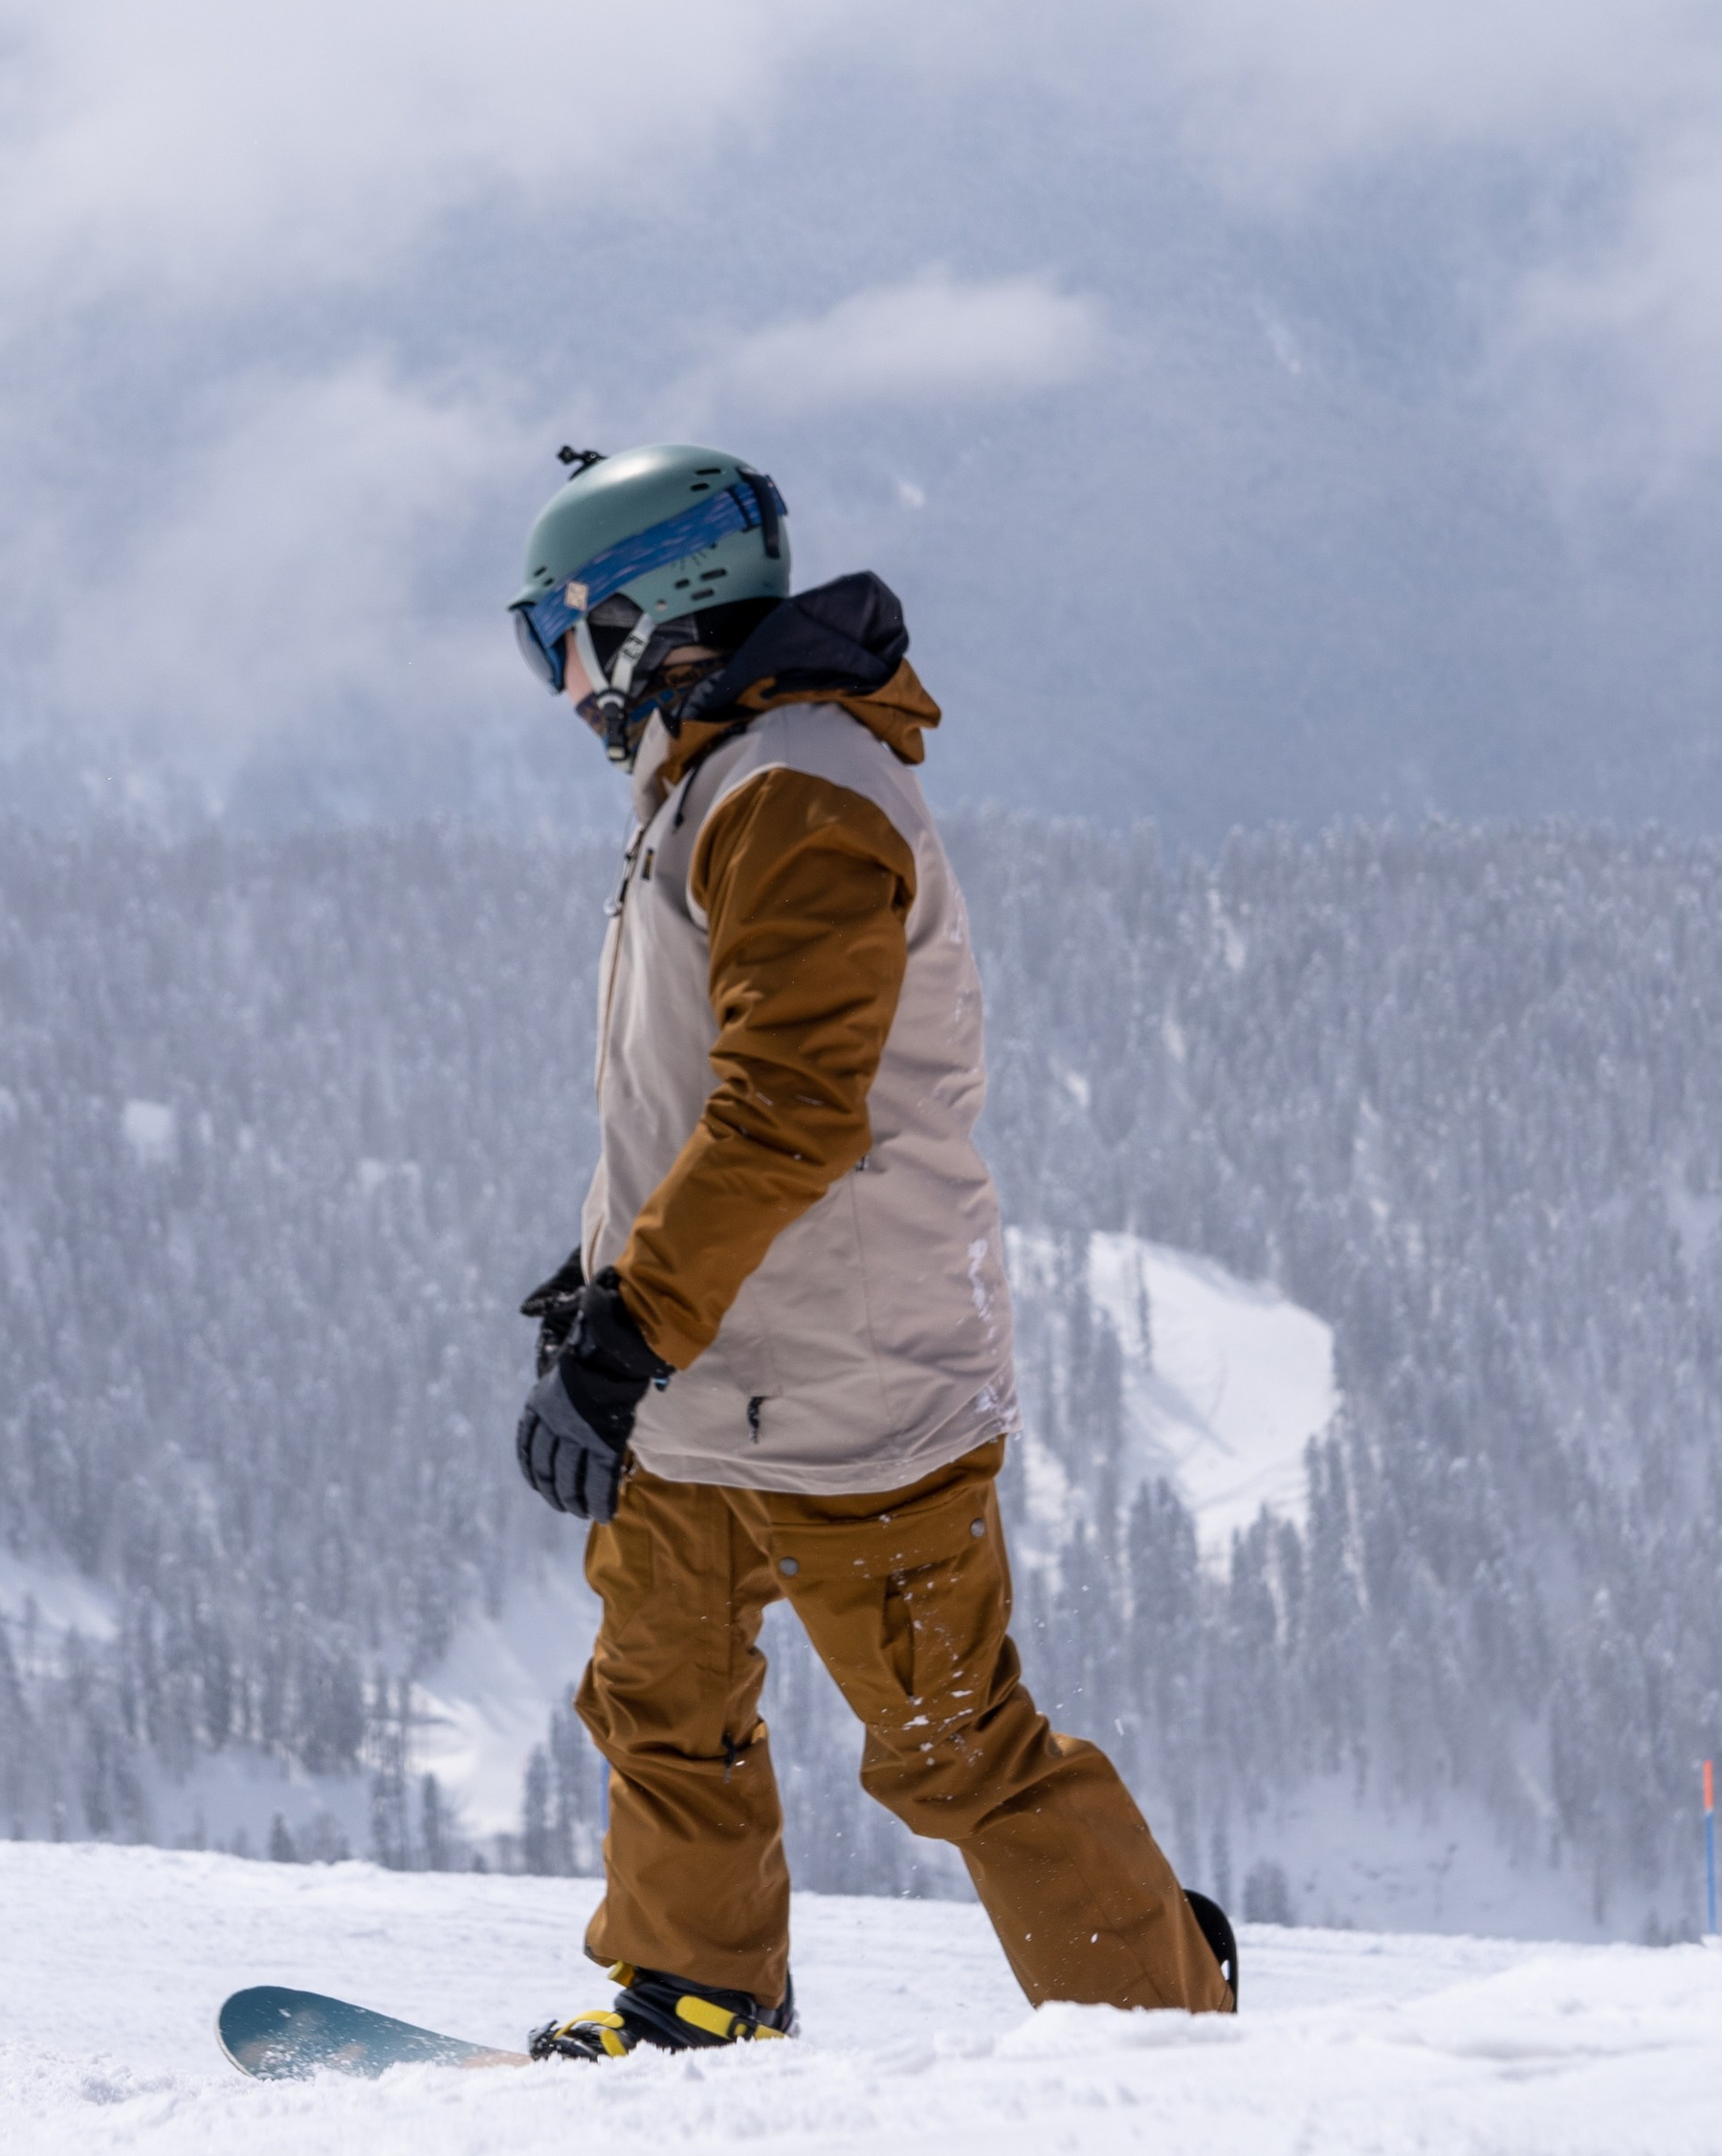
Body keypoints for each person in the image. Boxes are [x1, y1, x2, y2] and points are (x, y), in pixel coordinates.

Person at [507, 443, 1236, 2059]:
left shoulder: (795, 795)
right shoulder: (721, 776)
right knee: (662, 1694)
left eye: (565, 638)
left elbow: (791, 1110)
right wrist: (607, 1276)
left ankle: (1171, 2038)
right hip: (709, 1368)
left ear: (654, 615)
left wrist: (630, 1330)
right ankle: (698, 1994)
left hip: (852, 1383)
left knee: (950, 1740)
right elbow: (696, 1093)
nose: (563, 687)